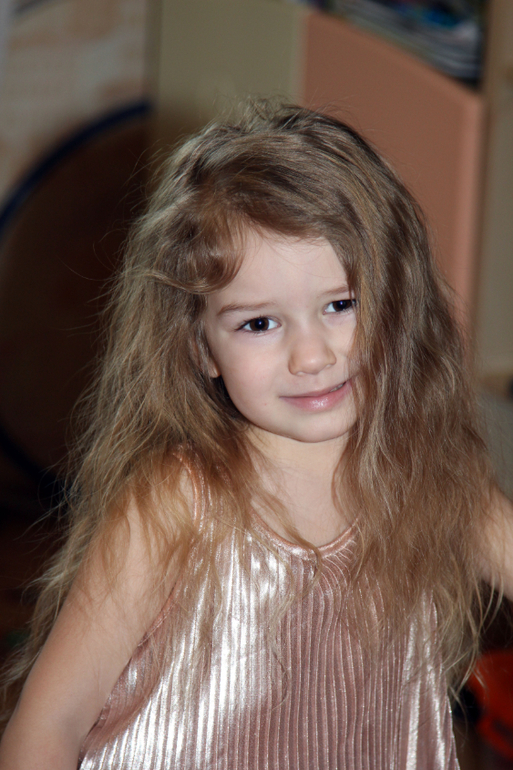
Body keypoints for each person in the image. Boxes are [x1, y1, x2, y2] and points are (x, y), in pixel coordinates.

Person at [0, 102, 512, 770]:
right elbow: (49, 723)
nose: (311, 356)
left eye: (341, 305)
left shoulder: (432, 477)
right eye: (259, 324)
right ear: (199, 348)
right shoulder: (180, 503)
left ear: (400, 303)